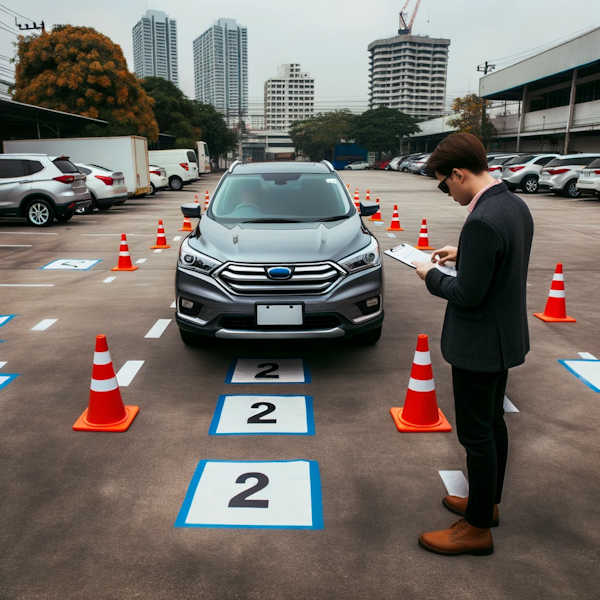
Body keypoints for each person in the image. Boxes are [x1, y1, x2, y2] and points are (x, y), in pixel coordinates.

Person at [413, 133, 534, 556]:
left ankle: (477, 527)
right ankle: (488, 502)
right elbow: (500, 262)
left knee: (476, 435)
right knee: (493, 426)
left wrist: (429, 273)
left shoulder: (483, 218)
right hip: (502, 340)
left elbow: (468, 295)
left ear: (460, 174)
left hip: (478, 346)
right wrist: (462, 253)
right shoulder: (512, 205)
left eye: (446, 184)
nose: (447, 193)